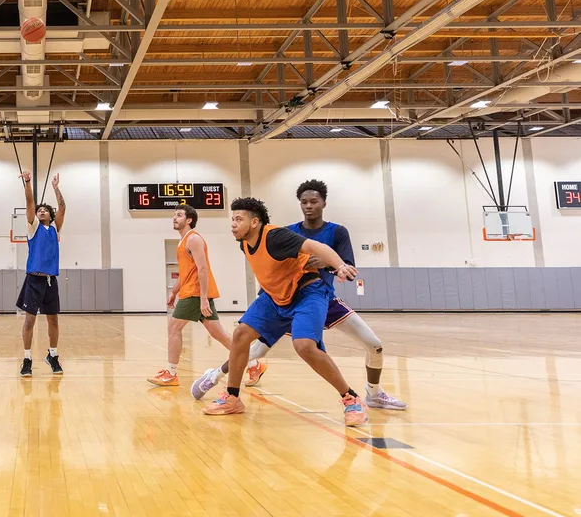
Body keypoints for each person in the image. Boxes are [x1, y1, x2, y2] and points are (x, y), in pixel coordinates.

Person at [192, 181, 407, 410]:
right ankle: (219, 381)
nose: (308, 206)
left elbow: (345, 264)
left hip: (320, 294)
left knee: (372, 345)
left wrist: (330, 264)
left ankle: (372, 394)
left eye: (313, 201)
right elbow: (273, 266)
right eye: (304, 202)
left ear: (324, 203)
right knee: (248, 341)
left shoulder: (336, 231)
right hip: (283, 297)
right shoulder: (285, 232)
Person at [202, 197, 367, 426]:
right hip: (274, 295)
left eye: (239, 219)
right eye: (232, 219)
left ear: (255, 222)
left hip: (307, 291)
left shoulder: (275, 236)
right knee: (241, 335)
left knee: (304, 346)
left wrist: (339, 265)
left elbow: (315, 247)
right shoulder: (244, 243)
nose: (233, 223)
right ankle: (232, 398)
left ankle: (351, 398)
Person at [148, 204, 233, 387]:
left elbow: (202, 269)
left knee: (173, 328)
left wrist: (203, 298)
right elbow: (186, 271)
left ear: (189, 220)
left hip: (195, 293)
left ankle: (171, 373)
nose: (174, 218)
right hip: (192, 291)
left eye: (179, 215)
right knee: (218, 333)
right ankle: (253, 363)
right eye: (174, 215)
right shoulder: (183, 241)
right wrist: (174, 291)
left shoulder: (193, 239)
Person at [17, 172, 65, 377]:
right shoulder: (33, 228)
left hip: (50, 280)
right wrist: (27, 182)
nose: (42, 211)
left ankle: (52, 355)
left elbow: (62, 207)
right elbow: (30, 201)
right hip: (34, 280)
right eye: (40, 210)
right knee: (30, 321)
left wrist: (56, 188)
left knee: (53, 320)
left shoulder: (55, 229)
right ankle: (27, 359)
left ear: (50, 215)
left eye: (46, 210)